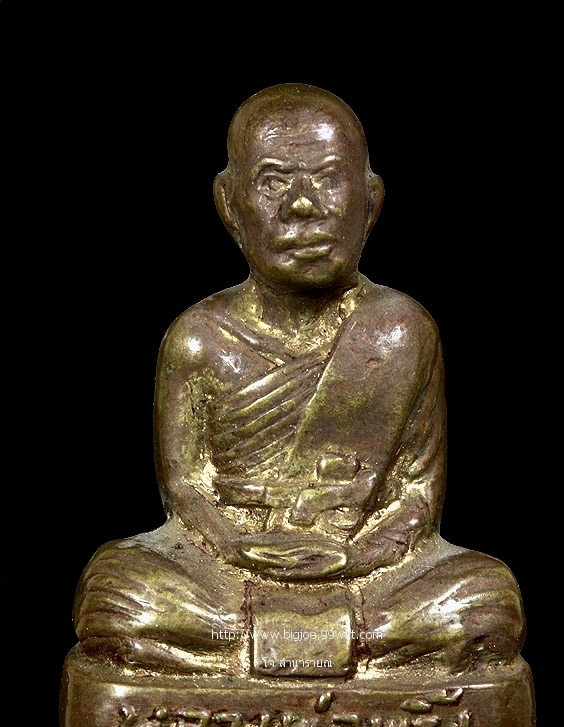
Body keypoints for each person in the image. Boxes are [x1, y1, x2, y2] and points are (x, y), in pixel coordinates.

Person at [73, 84, 525, 675]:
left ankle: (263, 647)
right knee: (117, 593)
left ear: (371, 199)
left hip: (366, 572)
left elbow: (417, 495)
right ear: (229, 204)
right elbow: (184, 490)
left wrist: (355, 558)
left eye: (329, 179)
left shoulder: (400, 332)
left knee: (485, 599)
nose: (303, 206)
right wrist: (235, 546)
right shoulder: (199, 339)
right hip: (227, 572)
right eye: (273, 182)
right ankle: (334, 646)